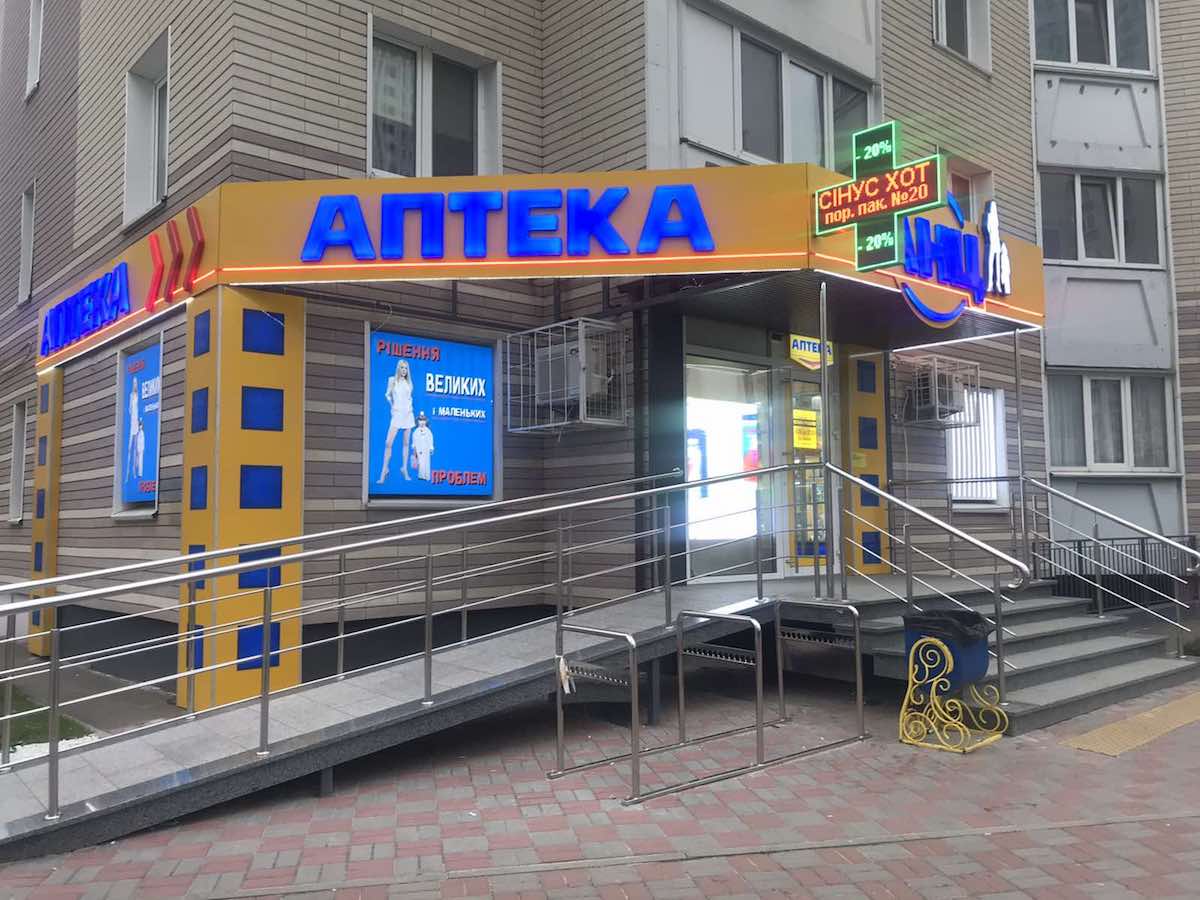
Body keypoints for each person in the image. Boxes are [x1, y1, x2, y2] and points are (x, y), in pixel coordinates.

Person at [378, 359, 416, 483]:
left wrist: (409, 409)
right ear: (398, 368)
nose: (404, 370)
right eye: (402, 368)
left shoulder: (409, 383)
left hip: (408, 414)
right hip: (397, 414)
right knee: (388, 443)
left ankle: (404, 469)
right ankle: (384, 470)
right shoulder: (392, 380)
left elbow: (409, 399)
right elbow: (387, 395)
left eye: (406, 368)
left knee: (406, 443)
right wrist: (392, 405)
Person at [411, 412, 434, 481]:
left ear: (426, 421)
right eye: (420, 420)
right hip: (419, 449)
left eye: (423, 420)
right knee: (420, 462)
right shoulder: (416, 431)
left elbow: (431, 439)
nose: (422, 422)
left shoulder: (428, 431)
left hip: (426, 449)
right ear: (417, 421)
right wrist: (414, 450)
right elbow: (414, 441)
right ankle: (421, 476)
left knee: (426, 462)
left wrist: (431, 448)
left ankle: (426, 476)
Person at [126, 376, 140, 482]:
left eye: (136, 383)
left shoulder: (139, 395)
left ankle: (134, 472)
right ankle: (127, 474)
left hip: (136, 424)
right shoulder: (131, 395)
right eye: (134, 383)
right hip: (132, 423)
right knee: (129, 449)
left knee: (135, 449)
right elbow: (130, 409)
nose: (135, 385)